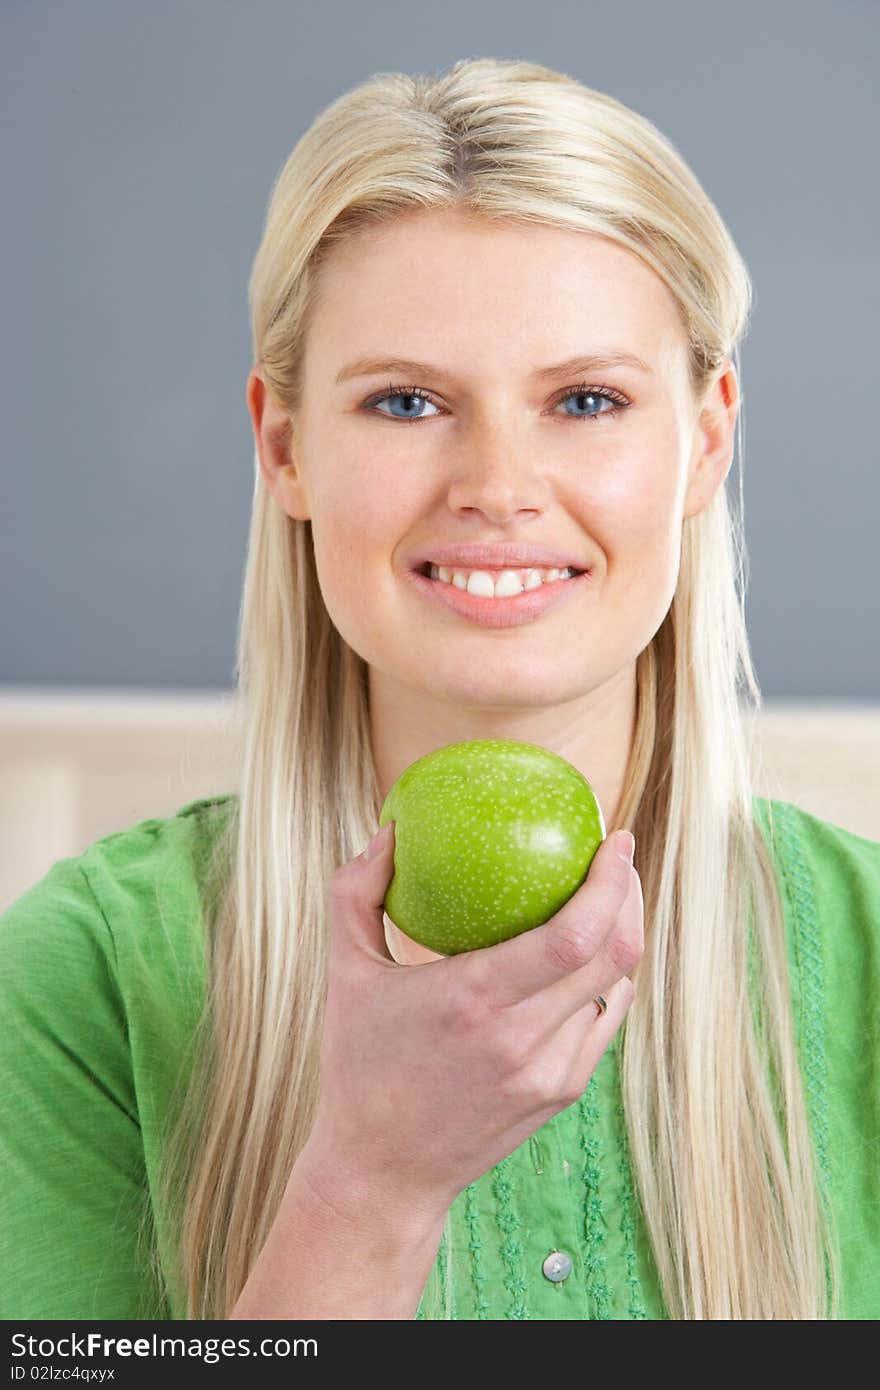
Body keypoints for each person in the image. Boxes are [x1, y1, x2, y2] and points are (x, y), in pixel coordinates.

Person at [1, 56, 878, 1323]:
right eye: (407, 401)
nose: (498, 485)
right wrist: (368, 1185)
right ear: (286, 445)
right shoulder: (82, 978)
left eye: (586, 399)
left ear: (705, 437)